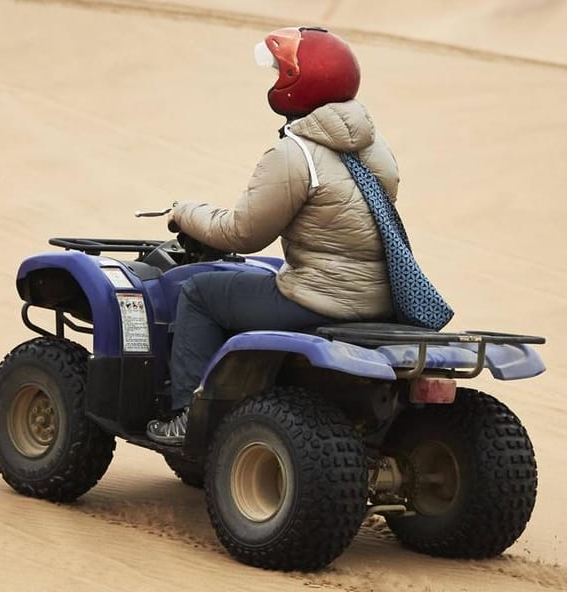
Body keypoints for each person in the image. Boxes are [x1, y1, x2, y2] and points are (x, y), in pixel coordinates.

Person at [146, 26, 399, 445]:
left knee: (199, 292)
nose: (275, 81)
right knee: (258, 279)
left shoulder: (295, 154)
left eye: (280, 73)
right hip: (378, 298)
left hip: (320, 299)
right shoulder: (375, 148)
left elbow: (242, 234)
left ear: (297, 84)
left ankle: (187, 417)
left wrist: (184, 212)